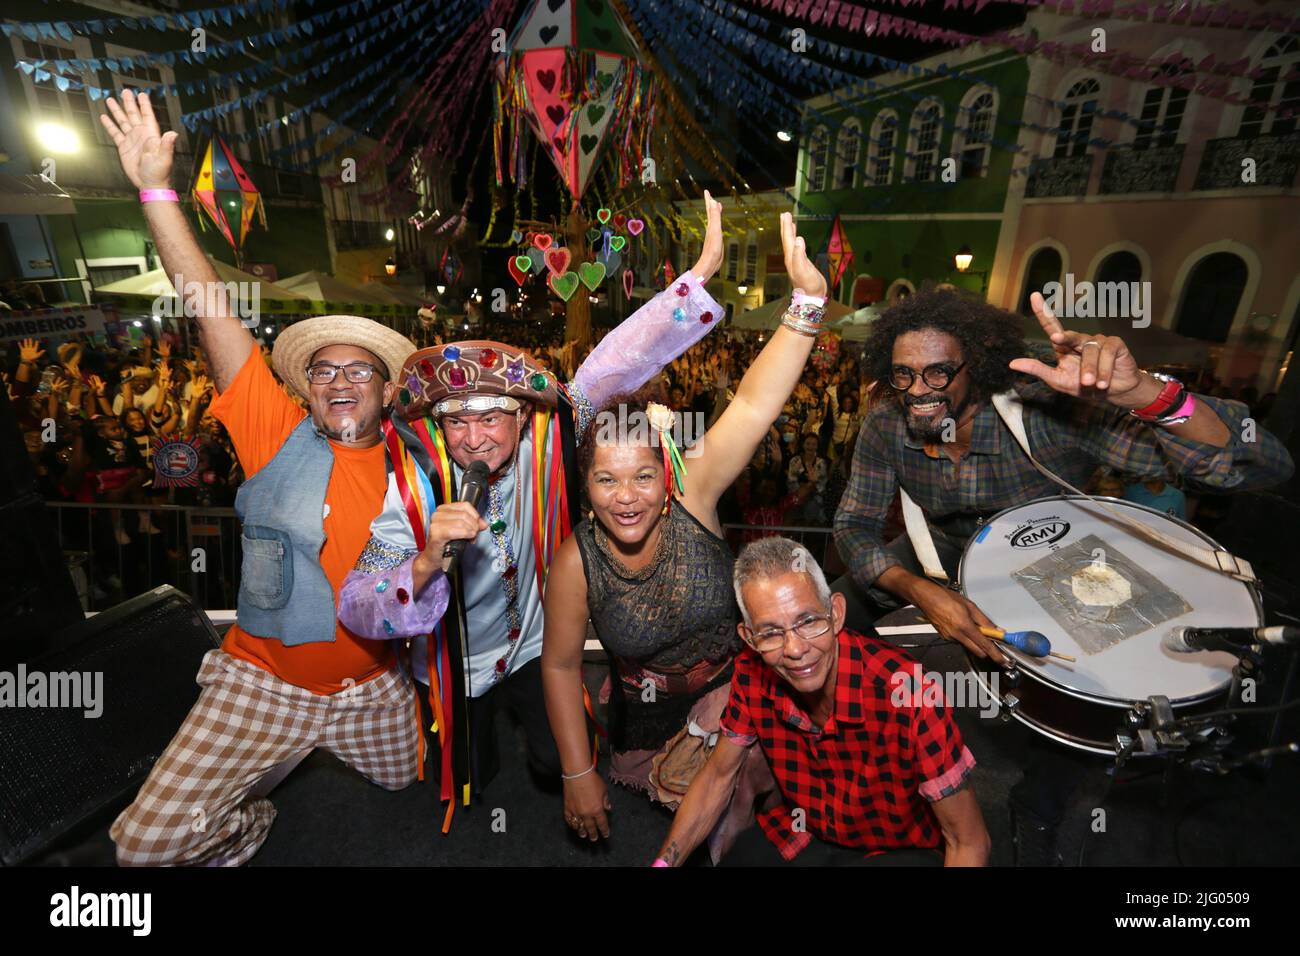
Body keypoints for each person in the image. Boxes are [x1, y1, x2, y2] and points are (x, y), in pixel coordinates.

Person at [832, 285, 1295, 862]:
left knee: (1073, 697)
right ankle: (857, 767)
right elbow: (851, 525)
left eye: (938, 372)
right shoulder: (886, 426)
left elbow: (1258, 465)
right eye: (903, 375)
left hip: (1051, 570)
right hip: (938, 557)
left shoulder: (1045, 416)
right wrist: (919, 590)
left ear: (975, 365)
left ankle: (1040, 805)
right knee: (827, 615)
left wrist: (1147, 395)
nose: (918, 391)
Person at [101, 90, 424, 866]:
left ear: (387, 391)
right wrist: (154, 188)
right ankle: (250, 825)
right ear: (305, 387)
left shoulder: (423, 464)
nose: (340, 381)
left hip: (371, 688)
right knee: (143, 850)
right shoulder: (272, 430)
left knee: (407, 785)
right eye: (323, 370)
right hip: (263, 683)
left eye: (360, 371)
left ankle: (306, 762)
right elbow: (207, 302)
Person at [336, 194, 731, 825]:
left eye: (491, 416)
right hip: (454, 666)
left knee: (556, 762)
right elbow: (356, 603)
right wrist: (422, 564)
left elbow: (613, 365)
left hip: (532, 647)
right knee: (469, 778)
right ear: (437, 426)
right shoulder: (410, 490)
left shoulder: (549, 446)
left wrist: (698, 277)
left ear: (523, 418)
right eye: (457, 422)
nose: (474, 438)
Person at [541, 212, 826, 851]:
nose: (627, 499)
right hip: (645, 718)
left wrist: (807, 301)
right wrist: (577, 772)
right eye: (606, 481)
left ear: (667, 470)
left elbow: (752, 404)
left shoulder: (693, 495)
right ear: (583, 485)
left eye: (643, 475)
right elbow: (560, 666)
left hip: (743, 688)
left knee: (735, 817)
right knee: (674, 819)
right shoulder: (575, 562)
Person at [654, 536, 990, 866]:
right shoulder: (752, 671)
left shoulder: (910, 691)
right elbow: (717, 777)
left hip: (897, 848)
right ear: (750, 638)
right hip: (807, 829)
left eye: (808, 621)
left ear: (837, 613)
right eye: (771, 632)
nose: (796, 650)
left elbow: (969, 843)